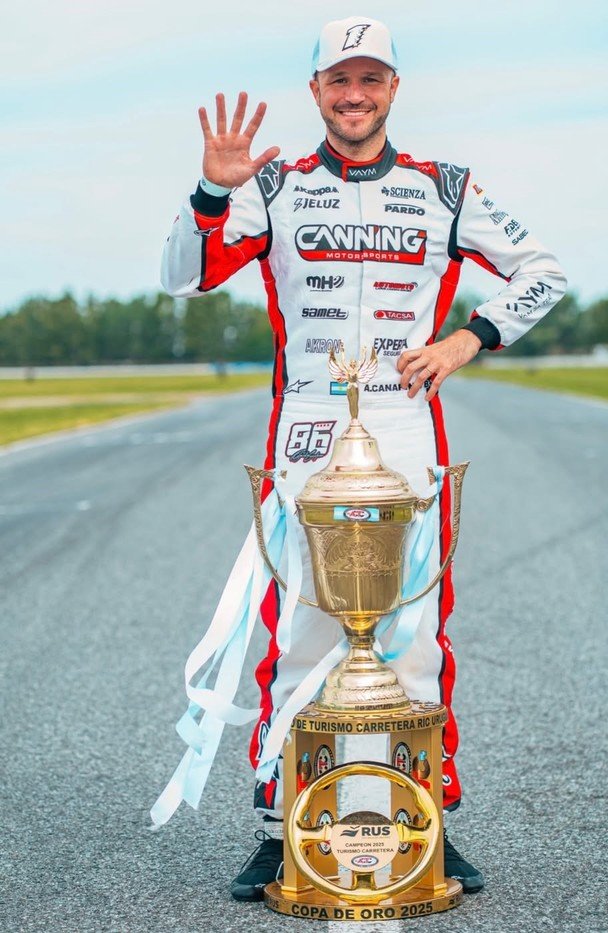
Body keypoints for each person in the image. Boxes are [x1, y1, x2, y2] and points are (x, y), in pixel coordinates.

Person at [161, 15, 566, 902]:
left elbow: (543, 269)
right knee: (301, 625)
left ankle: (427, 817)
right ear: (316, 92)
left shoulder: (444, 188)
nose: (354, 94)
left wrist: (468, 340)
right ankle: (281, 824)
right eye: (339, 80)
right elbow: (183, 275)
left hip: (406, 420)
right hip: (306, 425)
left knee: (415, 627)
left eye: (370, 79)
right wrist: (207, 190)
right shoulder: (275, 182)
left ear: (393, 89)